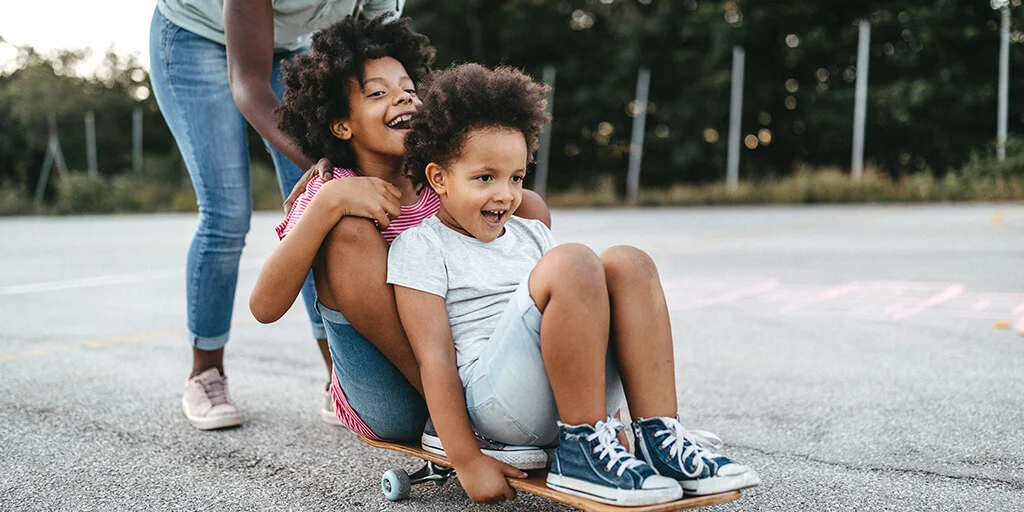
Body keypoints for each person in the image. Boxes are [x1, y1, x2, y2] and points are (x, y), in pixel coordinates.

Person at [387, 63, 762, 505]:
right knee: (576, 263)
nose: (505, 194)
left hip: (562, 395)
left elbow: (578, 328)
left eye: (516, 177)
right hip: (493, 407)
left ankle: (656, 436)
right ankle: (581, 453)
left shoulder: (531, 235)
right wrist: (467, 461)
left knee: (629, 263)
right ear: (439, 178)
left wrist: (616, 420)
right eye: (485, 177)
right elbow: (434, 361)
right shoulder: (422, 246)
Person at [248, 14, 551, 454]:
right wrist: (328, 204)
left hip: (460, 358)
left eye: (410, 89)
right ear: (341, 125)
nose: (403, 99)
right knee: (347, 230)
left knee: (529, 207)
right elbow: (264, 307)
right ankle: (464, 418)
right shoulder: (327, 191)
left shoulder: (440, 180)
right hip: (390, 391)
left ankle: (507, 389)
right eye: (378, 93)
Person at [149, 0, 407, 430]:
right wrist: (331, 165)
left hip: (294, 45)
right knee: (226, 212)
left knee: (331, 211)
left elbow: (384, 56)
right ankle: (206, 372)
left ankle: (339, 377)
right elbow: (248, 84)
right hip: (197, 34)